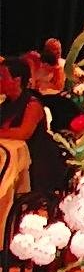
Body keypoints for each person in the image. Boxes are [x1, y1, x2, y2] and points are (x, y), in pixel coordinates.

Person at [0, 58, 70, 194]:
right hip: (12, 158)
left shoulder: (32, 105)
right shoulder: (6, 105)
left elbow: (23, 133)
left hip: (36, 165)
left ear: (17, 80)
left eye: (2, 76)